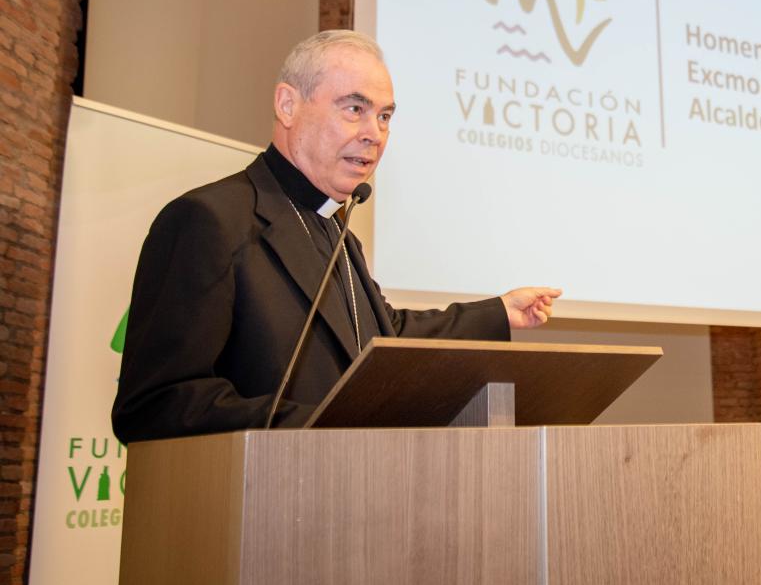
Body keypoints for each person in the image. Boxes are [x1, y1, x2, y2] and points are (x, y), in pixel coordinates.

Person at [111, 30, 561, 442]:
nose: (375, 135)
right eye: (354, 109)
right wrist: (323, 422)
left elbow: (383, 337)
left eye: (384, 116)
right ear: (288, 105)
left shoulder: (339, 234)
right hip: (250, 509)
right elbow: (155, 404)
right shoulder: (209, 220)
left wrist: (497, 312)